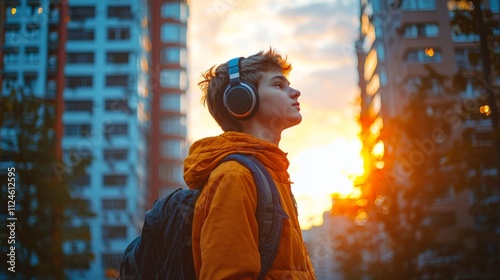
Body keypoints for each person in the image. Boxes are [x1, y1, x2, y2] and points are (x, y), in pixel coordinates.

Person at [183, 48, 316, 279]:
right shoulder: (235, 176)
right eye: (278, 85)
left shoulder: (271, 173)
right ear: (241, 100)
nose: (296, 92)